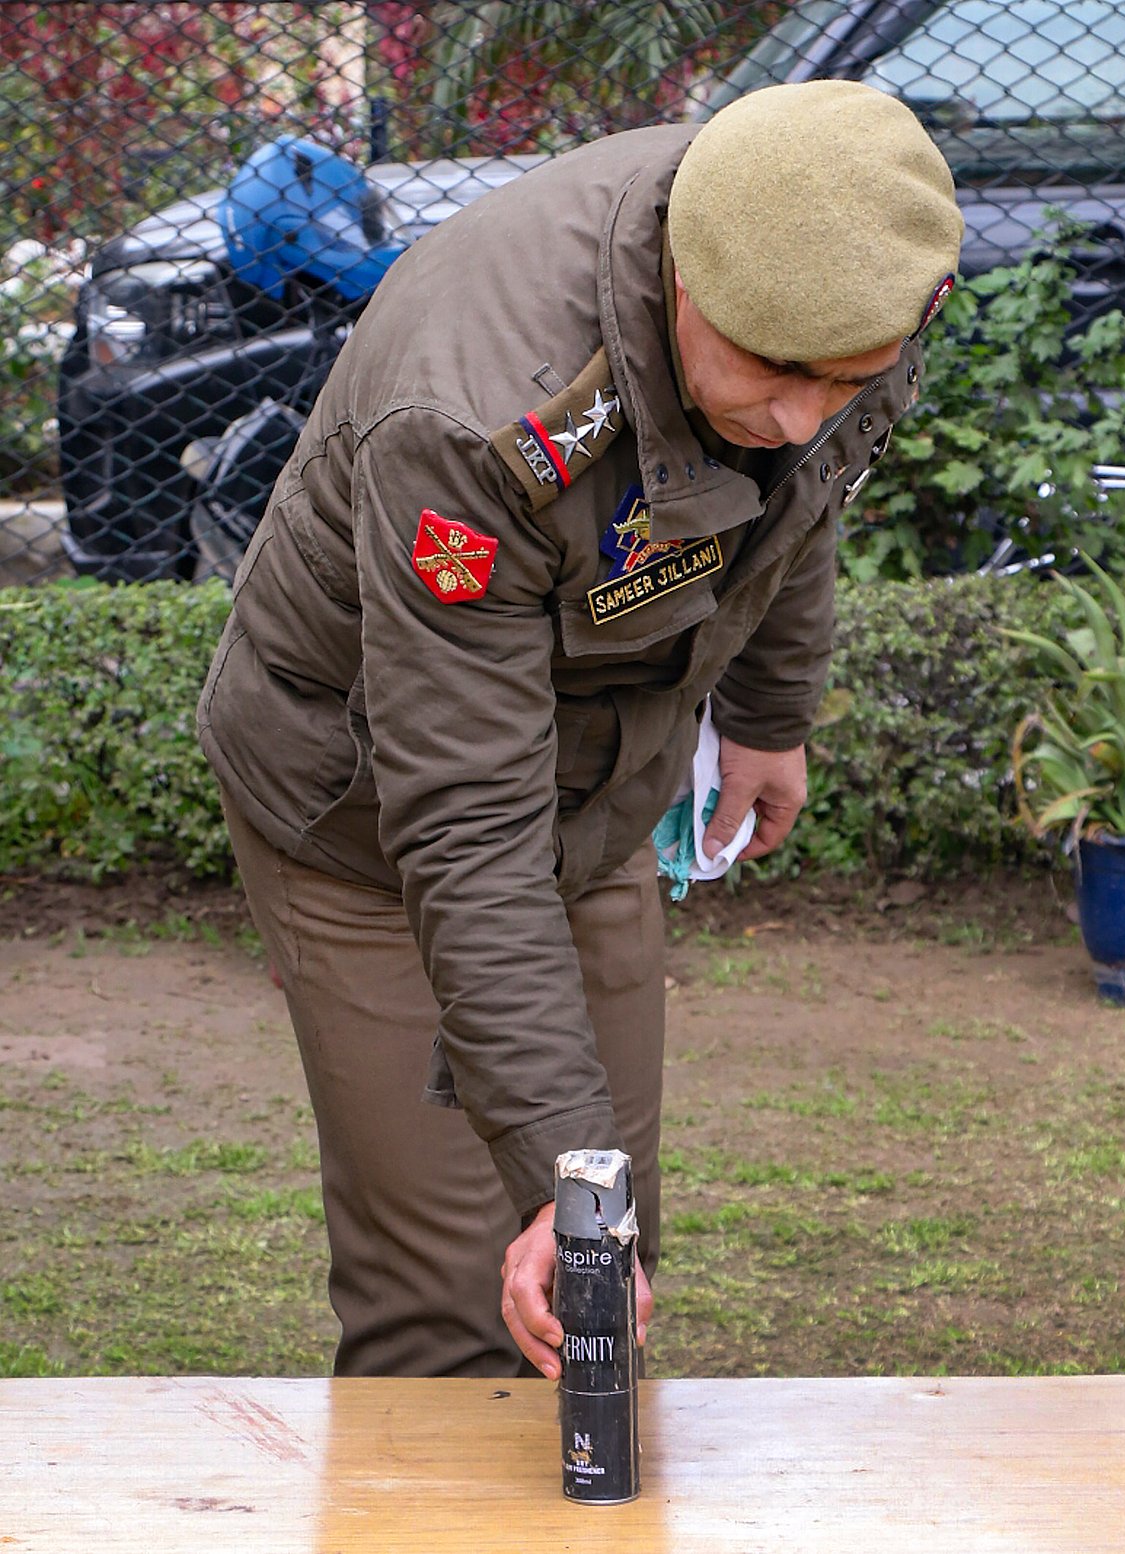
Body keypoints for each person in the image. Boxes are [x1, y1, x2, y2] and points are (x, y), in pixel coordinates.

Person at [198, 79, 963, 1379]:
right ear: (683, 277)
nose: (799, 413)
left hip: (596, 793)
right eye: (772, 370)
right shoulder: (475, 414)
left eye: (842, 380)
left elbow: (798, 498)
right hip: (371, 818)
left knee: (606, 1254)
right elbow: (464, 824)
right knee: (456, 1308)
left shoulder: (856, 269)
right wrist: (556, 1173)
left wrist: (769, 716)